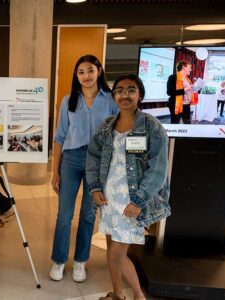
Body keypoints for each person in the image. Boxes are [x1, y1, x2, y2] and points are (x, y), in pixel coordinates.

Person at [86, 74, 171, 300]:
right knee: (111, 247)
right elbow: (93, 157)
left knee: (116, 255)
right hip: (109, 197)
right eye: (120, 90)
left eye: (131, 90)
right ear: (114, 96)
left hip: (132, 200)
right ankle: (117, 294)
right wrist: (95, 188)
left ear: (140, 95)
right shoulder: (107, 126)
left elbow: (158, 168)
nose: (125, 94)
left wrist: (139, 200)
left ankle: (138, 296)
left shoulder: (152, 126)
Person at [50, 54, 118, 283]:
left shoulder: (110, 100)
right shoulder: (68, 100)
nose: (86, 76)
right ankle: (59, 260)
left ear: (99, 71)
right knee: (64, 215)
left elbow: (118, 134)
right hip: (71, 158)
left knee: (89, 214)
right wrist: (54, 171)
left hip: (98, 160)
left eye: (90, 70)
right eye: (81, 72)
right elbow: (59, 138)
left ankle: (80, 261)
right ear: (76, 76)